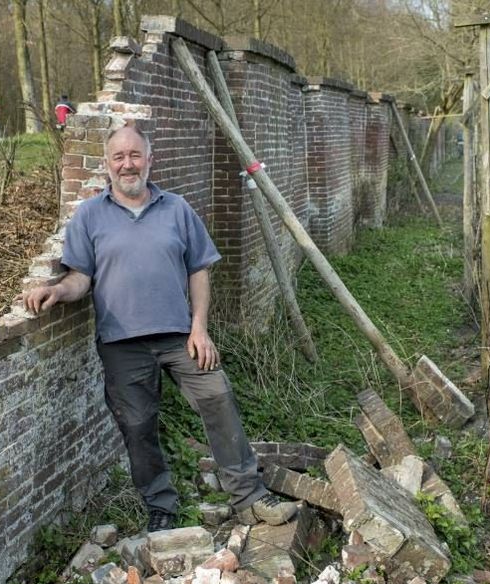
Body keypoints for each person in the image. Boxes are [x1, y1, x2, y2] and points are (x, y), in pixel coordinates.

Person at [19, 124, 297, 533]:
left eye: (135, 155)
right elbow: (81, 277)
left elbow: (199, 270)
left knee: (218, 397)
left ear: (151, 159)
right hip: (121, 344)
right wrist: (58, 291)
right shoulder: (90, 216)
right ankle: (160, 504)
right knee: (137, 426)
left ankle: (250, 497)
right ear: (107, 164)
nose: (127, 164)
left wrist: (199, 328)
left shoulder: (176, 209)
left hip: (179, 337)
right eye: (119, 157)